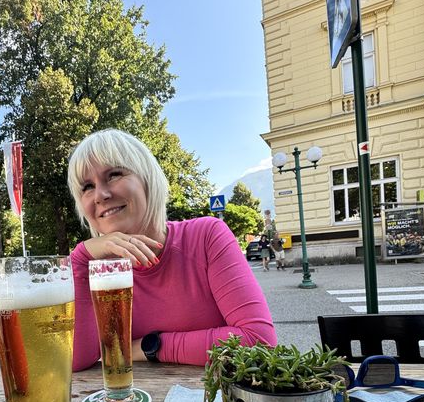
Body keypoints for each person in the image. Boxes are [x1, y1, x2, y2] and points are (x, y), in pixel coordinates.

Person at [67, 128, 277, 370]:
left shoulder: (206, 236)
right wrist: (80, 257)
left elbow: (259, 341)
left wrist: (150, 346)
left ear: (147, 179)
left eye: (114, 174)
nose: (101, 195)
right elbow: (76, 360)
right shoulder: (97, 270)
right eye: (87, 187)